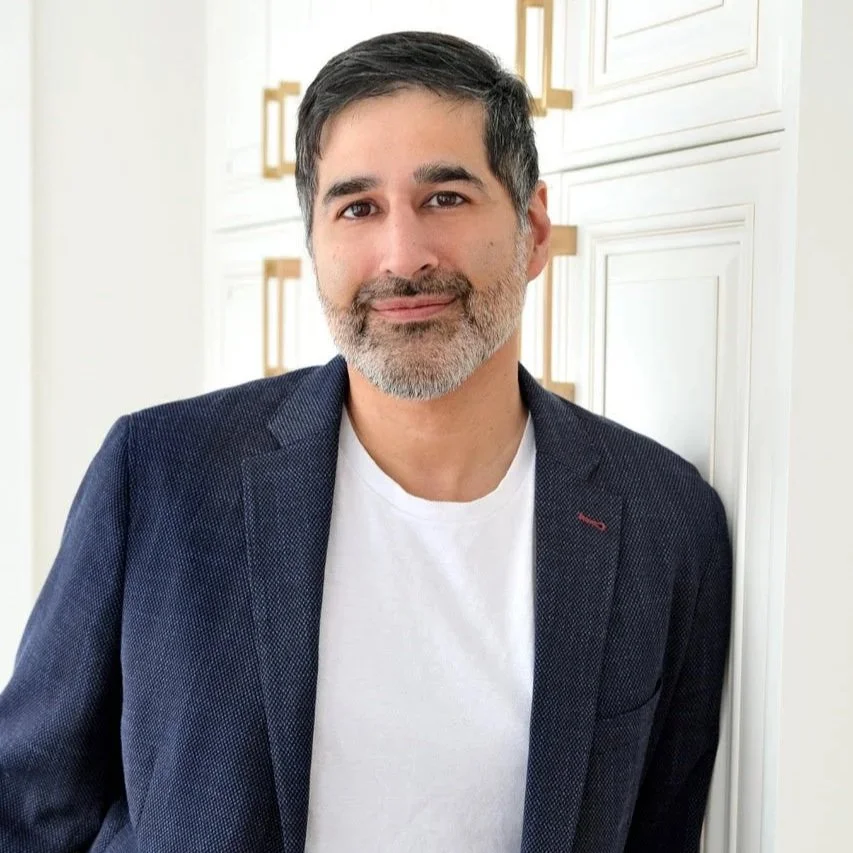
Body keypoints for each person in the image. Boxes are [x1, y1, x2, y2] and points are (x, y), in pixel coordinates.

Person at [0, 31, 732, 853]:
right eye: (357, 207)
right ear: (314, 244)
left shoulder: (665, 520)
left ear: (532, 231)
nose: (402, 257)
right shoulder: (160, 474)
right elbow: (27, 809)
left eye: (445, 197)